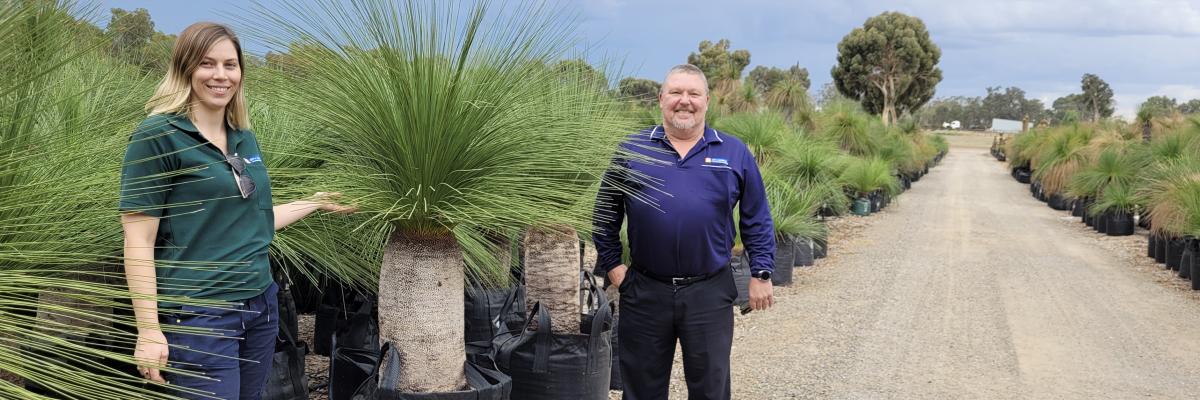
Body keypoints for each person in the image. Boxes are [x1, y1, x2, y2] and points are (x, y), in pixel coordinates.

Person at [118, 22, 351, 399]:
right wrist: (148, 330)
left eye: (231, 65)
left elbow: (253, 221)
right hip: (202, 313)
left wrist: (315, 201)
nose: (221, 75)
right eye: (208, 64)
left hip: (260, 303)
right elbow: (138, 240)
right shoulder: (157, 135)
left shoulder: (242, 135)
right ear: (185, 68)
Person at [593, 64, 776, 400]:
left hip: (709, 290)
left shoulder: (733, 152)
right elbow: (605, 213)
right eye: (676, 92)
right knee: (642, 389)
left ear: (707, 100)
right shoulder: (632, 150)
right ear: (661, 99)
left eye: (693, 93)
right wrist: (614, 268)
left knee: (710, 388)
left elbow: (757, 218)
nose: (684, 101)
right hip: (645, 291)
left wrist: (761, 273)